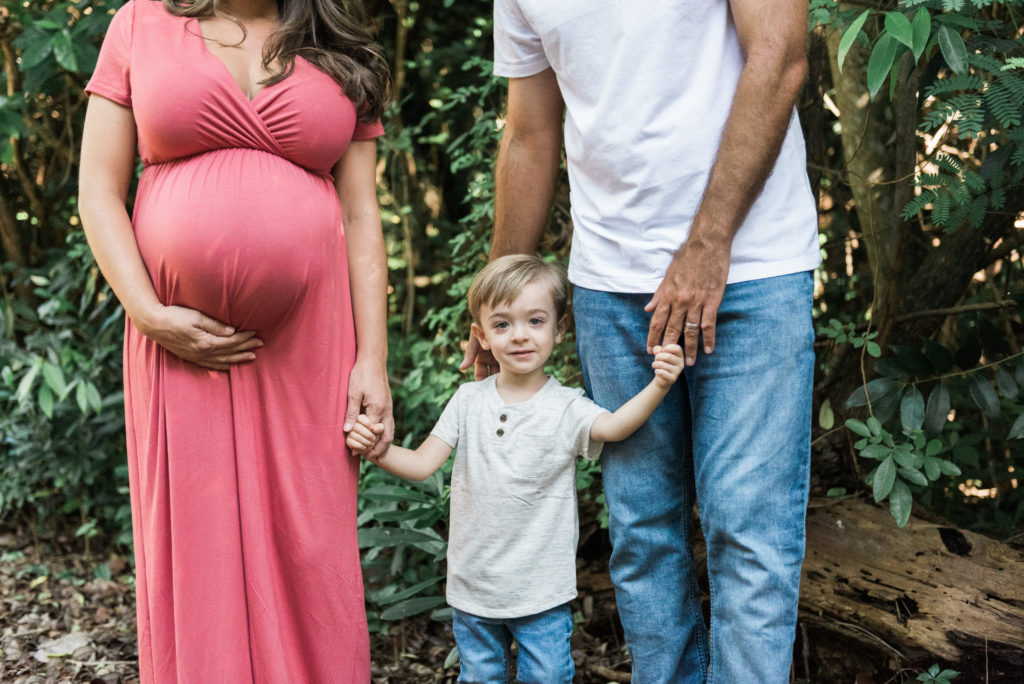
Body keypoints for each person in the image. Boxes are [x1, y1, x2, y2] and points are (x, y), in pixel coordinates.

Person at [465, 1, 823, 682]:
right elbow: (529, 132)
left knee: (747, 530)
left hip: (750, 268)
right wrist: (498, 301)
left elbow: (780, 60)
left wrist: (708, 242)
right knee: (641, 533)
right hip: (610, 285)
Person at [77, 0, 392, 680]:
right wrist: (147, 311)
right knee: (200, 542)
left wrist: (374, 360)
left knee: (310, 543)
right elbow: (98, 191)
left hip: (312, 344)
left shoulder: (339, 46)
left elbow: (363, 216)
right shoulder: (140, 23)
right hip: (176, 345)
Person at [346, 255, 685, 683]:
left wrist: (659, 385)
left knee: (546, 677)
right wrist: (379, 450)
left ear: (559, 329)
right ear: (481, 335)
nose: (520, 336)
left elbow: (614, 427)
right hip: (473, 588)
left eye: (535, 321)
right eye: (503, 324)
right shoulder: (468, 401)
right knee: (479, 677)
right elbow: (420, 463)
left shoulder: (567, 407)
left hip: (540, 592)